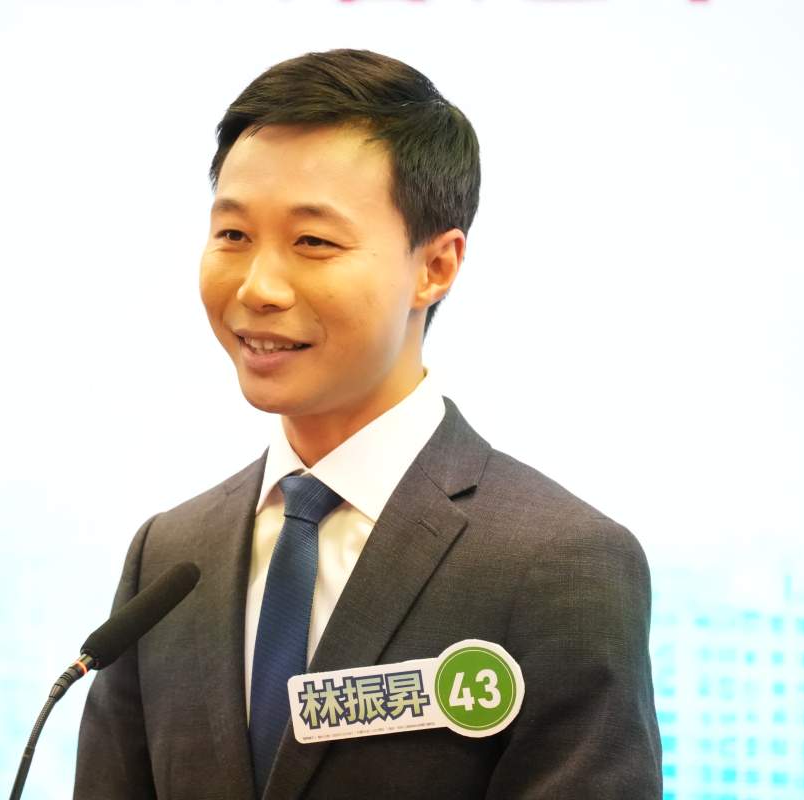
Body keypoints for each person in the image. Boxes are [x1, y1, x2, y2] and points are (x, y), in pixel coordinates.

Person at [73, 48, 661, 799]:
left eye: (313, 242)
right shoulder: (168, 556)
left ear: (435, 267)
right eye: (233, 236)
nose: (258, 287)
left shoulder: (557, 562)